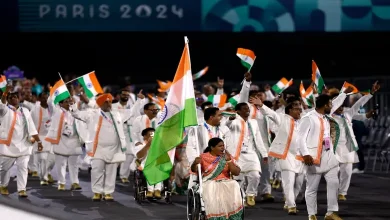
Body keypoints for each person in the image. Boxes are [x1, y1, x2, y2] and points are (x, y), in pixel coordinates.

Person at [70, 93, 132, 201]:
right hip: (98, 149)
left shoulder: (117, 114)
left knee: (111, 172)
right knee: (97, 170)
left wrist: (140, 102)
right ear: (100, 104)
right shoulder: (92, 114)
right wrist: (73, 105)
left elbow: (131, 112)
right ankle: (97, 192)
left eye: (110, 101)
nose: (109, 104)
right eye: (106, 102)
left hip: (114, 149)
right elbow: (76, 114)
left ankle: (108, 193)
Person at [297, 92, 349, 220]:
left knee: (334, 183)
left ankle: (331, 212)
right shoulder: (308, 118)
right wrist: (306, 154)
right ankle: (312, 214)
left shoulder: (326, 116)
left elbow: (336, 103)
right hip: (313, 157)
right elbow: (300, 138)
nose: (332, 106)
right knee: (312, 188)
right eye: (330, 104)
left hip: (328, 155)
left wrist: (344, 93)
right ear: (325, 105)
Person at [0, 84, 44, 197]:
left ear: (19, 98)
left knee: (23, 168)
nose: (13, 98)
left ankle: (22, 189)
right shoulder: (4, 110)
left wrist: (39, 142)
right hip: (8, 146)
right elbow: (2, 104)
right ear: (8, 100)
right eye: (11, 97)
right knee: (4, 169)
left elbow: (32, 127)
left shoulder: (25, 110)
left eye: (15, 96)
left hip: (24, 145)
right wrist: (5, 92)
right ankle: (3, 186)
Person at [225, 103, 268, 207]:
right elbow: (228, 125)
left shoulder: (253, 122)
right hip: (237, 154)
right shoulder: (234, 121)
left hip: (251, 152)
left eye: (248, 109)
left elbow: (258, 139)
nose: (247, 110)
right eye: (244, 109)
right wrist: (230, 119)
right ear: (238, 111)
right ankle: (241, 198)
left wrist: (264, 153)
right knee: (239, 179)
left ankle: (251, 194)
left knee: (255, 175)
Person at [191, 138, 243, 220]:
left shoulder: (227, 157)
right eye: (220, 146)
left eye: (223, 146)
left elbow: (236, 172)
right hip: (209, 181)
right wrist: (195, 163)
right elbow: (194, 170)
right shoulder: (203, 157)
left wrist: (229, 161)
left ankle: (231, 216)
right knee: (212, 186)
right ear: (212, 147)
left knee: (234, 184)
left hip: (226, 181)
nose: (223, 148)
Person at [134, 127, 162, 199]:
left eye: (154, 135)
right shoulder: (140, 146)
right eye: (150, 135)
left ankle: (157, 190)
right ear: (145, 137)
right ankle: (150, 191)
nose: (152, 136)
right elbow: (139, 156)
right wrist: (148, 145)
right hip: (143, 165)